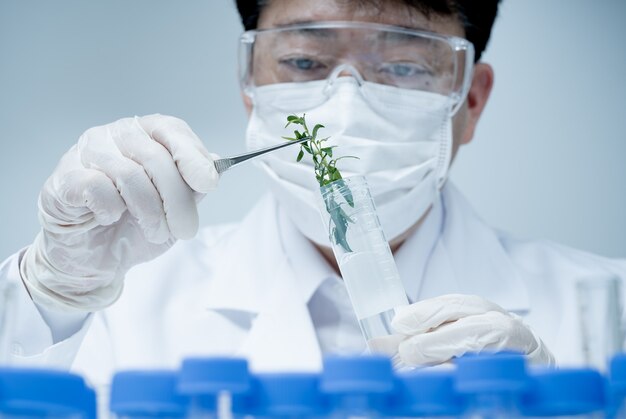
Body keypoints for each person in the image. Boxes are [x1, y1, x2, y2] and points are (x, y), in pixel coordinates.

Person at [0, 0, 624, 388]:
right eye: (303, 63)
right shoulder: (119, 314)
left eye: (403, 66)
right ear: (251, 86)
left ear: (471, 100)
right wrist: (55, 291)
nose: (344, 107)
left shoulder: (608, 310)